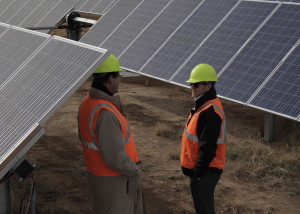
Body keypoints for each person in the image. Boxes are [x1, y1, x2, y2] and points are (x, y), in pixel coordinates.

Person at [78, 54, 145, 214]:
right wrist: (135, 171)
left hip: (100, 177)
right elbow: (115, 158)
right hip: (114, 181)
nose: (120, 80)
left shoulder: (87, 102)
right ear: (109, 79)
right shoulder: (105, 112)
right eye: (118, 76)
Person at [180, 64, 226, 214]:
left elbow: (208, 147)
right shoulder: (204, 106)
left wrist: (198, 175)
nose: (191, 87)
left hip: (206, 172)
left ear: (208, 86)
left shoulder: (210, 111)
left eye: (196, 84)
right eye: (191, 83)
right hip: (203, 171)